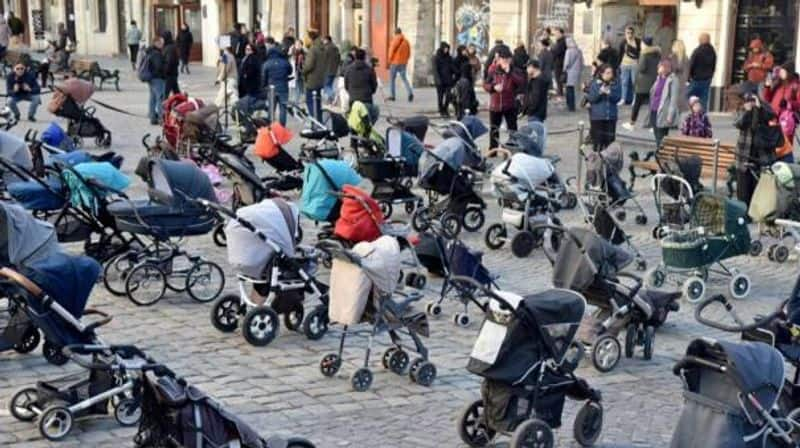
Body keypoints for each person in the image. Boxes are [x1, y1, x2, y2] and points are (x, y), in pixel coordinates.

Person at [734, 93, 779, 204]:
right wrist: (748, 111)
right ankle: (743, 216)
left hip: (761, 156)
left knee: (758, 191)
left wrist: (760, 107)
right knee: (743, 193)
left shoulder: (763, 108)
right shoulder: (741, 109)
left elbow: (772, 116)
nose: (751, 102)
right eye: (748, 100)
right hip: (744, 156)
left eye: (753, 100)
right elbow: (739, 123)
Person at [483, 47, 525, 149]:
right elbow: (486, 84)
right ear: (499, 59)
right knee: (494, 129)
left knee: (512, 129)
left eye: (508, 59)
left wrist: (509, 72)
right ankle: (493, 149)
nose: (506, 62)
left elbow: (521, 83)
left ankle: (513, 148)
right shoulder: (493, 70)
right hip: (495, 105)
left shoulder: (515, 70)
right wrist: (493, 88)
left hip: (509, 104)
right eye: (503, 59)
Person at [764, 62, 800, 162]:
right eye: (780, 71)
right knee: (772, 146)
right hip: (773, 119)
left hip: (786, 121)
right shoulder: (778, 84)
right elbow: (767, 99)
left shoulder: (796, 85)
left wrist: (789, 104)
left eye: (783, 71)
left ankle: (785, 167)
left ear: (789, 72)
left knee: (785, 147)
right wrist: (767, 87)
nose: (780, 73)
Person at [623, 37, 660, 130]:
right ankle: (653, 125)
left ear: (644, 44)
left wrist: (637, 65)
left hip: (643, 84)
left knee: (637, 104)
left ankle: (632, 123)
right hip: (653, 82)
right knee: (653, 105)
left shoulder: (644, 54)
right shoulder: (657, 54)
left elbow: (642, 68)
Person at [586, 64, 622, 152]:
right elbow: (591, 98)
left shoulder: (615, 84)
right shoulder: (595, 83)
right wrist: (600, 92)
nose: (610, 75)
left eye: (611, 73)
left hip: (611, 117)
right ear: (602, 74)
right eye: (607, 73)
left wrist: (610, 93)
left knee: (610, 143)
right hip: (598, 117)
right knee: (598, 142)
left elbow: (617, 98)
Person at [650, 59, 680, 149]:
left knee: (661, 138)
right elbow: (653, 93)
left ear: (666, 68)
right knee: (657, 137)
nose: (658, 68)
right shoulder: (659, 78)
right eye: (659, 66)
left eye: (660, 66)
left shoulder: (673, 80)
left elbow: (673, 99)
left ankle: (662, 158)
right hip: (654, 110)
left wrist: (670, 116)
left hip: (664, 112)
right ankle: (661, 156)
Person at [522, 60, 549, 151]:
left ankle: (536, 153)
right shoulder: (538, 79)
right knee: (537, 134)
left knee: (535, 135)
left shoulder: (538, 81)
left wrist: (528, 110)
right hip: (538, 112)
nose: (526, 70)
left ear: (533, 67)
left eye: (528, 67)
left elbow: (535, 99)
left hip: (535, 113)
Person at [262, 44, 292, 126]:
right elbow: (290, 71)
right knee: (283, 108)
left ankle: (270, 125)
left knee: (271, 109)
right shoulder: (285, 62)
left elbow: (263, 77)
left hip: (271, 89)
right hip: (283, 88)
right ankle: (282, 126)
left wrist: (264, 87)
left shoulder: (267, 63)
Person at [302, 29, 326, 122]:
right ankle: (319, 121)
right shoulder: (322, 48)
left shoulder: (313, 49)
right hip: (320, 78)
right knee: (317, 102)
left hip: (312, 80)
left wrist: (303, 70)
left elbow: (309, 65)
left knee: (310, 102)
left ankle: (315, 121)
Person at [387, 28, 414, 102]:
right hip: (403, 63)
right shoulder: (406, 41)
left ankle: (392, 96)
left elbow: (391, 51)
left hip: (395, 62)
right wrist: (406, 60)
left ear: (395, 33)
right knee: (404, 79)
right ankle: (410, 93)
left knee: (392, 79)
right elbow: (409, 53)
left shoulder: (394, 40)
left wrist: (389, 60)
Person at [145, 37, 166, 125]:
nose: (162, 45)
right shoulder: (156, 53)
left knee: (152, 98)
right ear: (156, 43)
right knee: (160, 98)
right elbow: (159, 66)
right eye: (161, 43)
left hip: (151, 78)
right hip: (158, 78)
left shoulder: (149, 51)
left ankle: (152, 117)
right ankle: (161, 118)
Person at [618, 26, 642, 106]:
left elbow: (640, 53)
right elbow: (620, 54)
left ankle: (634, 99)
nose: (629, 35)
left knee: (634, 83)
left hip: (634, 64)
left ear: (634, 33)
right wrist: (619, 64)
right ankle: (623, 99)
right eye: (628, 33)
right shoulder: (623, 42)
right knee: (624, 82)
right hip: (624, 65)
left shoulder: (638, 41)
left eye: (631, 33)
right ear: (625, 34)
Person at [433, 42, 457, 117]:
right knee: (440, 96)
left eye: (447, 49)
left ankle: (445, 108)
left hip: (448, 80)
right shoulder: (436, 57)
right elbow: (435, 70)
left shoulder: (449, 57)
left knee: (448, 96)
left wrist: (457, 72)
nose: (446, 50)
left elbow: (452, 67)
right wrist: (437, 80)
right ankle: (441, 110)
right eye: (445, 48)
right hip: (440, 81)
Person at [563, 37, 584, 112]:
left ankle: (570, 106)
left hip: (570, 72)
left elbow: (567, 63)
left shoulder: (568, 51)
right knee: (574, 89)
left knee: (569, 89)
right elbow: (582, 62)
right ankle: (574, 105)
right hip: (577, 72)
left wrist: (564, 69)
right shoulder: (579, 51)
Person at [669, 39, 689, 112]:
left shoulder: (673, 57)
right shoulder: (686, 57)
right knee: (680, 99)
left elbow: (673, 69)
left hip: (674, 79)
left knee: (673, 99)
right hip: (683, 80)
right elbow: (687, 70)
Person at [215, 46, 238, 110]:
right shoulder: (227, 56)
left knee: (218, 101)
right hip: (228, 81)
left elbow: (225, 69)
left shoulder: (227, 56)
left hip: (229, 82)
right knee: (232, 100)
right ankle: (237, 115)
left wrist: (219, 79)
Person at [321, 36, 341, 104]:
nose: (322, 42)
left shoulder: (326, 48)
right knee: (329, 85)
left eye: (323, 40)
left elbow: (323, 59)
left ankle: (333, 95)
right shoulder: (335, 48)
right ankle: (330, 100)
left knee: (326, 86)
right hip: (334, 70)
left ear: (327, 40)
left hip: (327, 70)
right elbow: (339, 59)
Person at [161, 31, 180, 96]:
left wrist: (164, 71)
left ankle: (163, 106)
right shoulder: (167, 47)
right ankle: (181, 103)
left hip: (170, 75)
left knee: (165, 94)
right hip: (172, 74)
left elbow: (170, 62)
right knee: (176, 92)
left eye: (162, 38)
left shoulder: (169, 48)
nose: (161, 40)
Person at [551, 28, 567, 97]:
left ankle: (560, 93)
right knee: (557, 78)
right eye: (555, 34)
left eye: (557, 34)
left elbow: (557, 51)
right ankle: (559, 92)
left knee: (559, 78)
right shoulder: (558, 41)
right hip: (557, 62)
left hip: (560, 62)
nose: (556, 35)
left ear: (561, 33)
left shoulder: (562, 42)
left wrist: (552, 50)